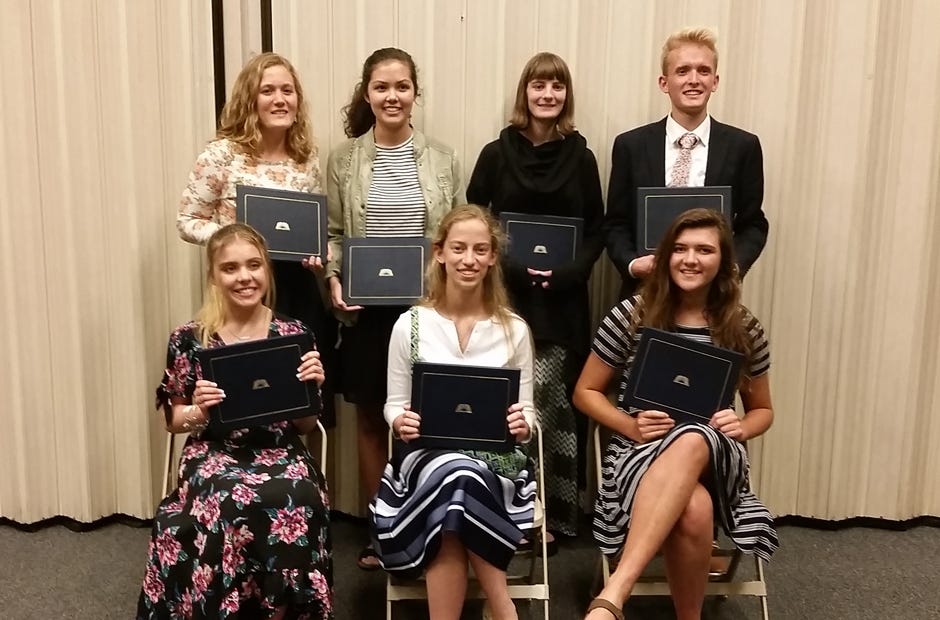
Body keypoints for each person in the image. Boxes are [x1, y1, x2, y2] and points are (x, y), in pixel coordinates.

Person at [575, 209, 777, 620]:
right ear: (666, 256)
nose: (690, 259)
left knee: (693, 437)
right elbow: (586, 392)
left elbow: (763, 411)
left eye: (704, 250)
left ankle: (616, 591)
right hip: (640, 450)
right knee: (695, 508)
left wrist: (741, 425)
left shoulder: (742, 327)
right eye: (681, 249)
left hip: (716, 458)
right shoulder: (632, 314)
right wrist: (627, 424)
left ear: (723, 261)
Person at [137, 223, 333, 619]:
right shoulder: (190, 338)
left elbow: (307, 427)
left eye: (254, 265)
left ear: (267, 271)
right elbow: (174, 421)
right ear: (213, 276)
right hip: (214, 450)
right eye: (230, 268)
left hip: (281, 448)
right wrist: (199, 411)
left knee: (302, 496)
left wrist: (312, 387)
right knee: (226, 498)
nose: (244, 277)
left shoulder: (294, 334)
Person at [324, 47, 465, 569]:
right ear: (368, 94)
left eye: (402, 86)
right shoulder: (343, 159)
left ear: (415, 93)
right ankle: (380, 528)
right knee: (369, 416)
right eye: (382, 87)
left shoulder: (444, 158)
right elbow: (336, 234)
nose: (392, 96)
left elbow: (456, 235)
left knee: (424, 416)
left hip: (427, 307)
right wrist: (336, 279)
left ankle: (427, 520)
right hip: (367, 312)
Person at [371, 204, 537, 620]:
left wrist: (524, 424)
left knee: (455, 489)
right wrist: (399, 420)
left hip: (496, 464)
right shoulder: (409, 324)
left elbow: (529, 411)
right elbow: (393, 403)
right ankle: (503, 608)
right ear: (439, 252)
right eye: (459, 248)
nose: (469, 259)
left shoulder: (514, 329)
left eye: (481, 250)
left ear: (493, 257)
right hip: (423, 460)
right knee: (455, 476)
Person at [467, 52, 604, 542]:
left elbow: (596, 230)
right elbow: (475, 224)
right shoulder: (495, 154)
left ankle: (555, 515)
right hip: (506, 296)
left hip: (563, 302)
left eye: (557, 86)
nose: (548, 94)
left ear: (566, 95)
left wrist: (566, 272)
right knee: (508, 405)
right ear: (524, 93)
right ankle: (505, 507)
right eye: (538, 85)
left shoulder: (582, 157)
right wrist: (511, 268)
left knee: (554, 407)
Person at [176, 52, 338, 426]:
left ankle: (300, 473)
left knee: (300, 397)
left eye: (288, 90)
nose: (280, 99)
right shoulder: (220, 155)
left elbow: (309, 223)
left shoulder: (306, 156)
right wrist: (238, 243)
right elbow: (187, 221)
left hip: (297, 289)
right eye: (268, 91)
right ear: (251, 99)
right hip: (242, 286)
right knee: (246, 393)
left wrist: (317, 250)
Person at [604, 27, 769, 299]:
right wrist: (633, 264)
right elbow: (615, 223)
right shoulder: (630, 145)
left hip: (713, 297)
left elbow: (753, 224)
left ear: (715, 81)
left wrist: (731, 267)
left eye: (703, 71)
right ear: (664, 82)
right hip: (646, 294)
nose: (694, 80)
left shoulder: (743, 147)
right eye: (682, 71)